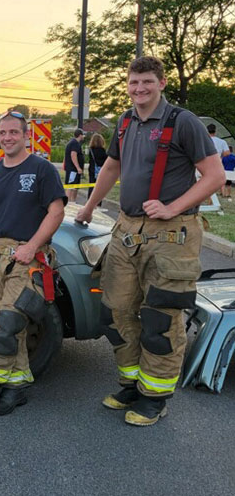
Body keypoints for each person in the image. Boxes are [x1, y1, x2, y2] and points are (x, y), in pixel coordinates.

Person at [76, 56, 224, 426]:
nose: (139, 89)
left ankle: (155, 397)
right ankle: (132, 384)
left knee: (161, 318)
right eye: (134, 82)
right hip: (127, 231)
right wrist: (90, 206)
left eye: (146, 82)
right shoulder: (125, 122)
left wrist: (172, 206)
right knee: (116, 311)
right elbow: (112, 167)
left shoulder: (183, 122)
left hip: (171, 235)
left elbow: (215, 176)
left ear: (161, 83)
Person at [0, 111, 66, 415]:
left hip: (28, 259)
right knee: (1, 322)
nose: (7, 138)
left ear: (26, 136)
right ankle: (17, 385)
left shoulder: (41, 169)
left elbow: (56, 212)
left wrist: (32, 246)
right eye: (3, 133)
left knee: (8, 322)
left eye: (14, 132)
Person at [64, 128, 85, 202]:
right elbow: (73, 155)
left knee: (75, 186)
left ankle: (73, 202)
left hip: (73, 169)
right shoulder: (74, 143)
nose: (83, 137)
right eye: (83, 135)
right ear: (80, 135)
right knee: (71, 186)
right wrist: (78, 167)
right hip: (73, 169)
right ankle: (68, 203)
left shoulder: (73, 143)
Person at [87, 133, 107, 204]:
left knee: (91, 186)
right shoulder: (102, 151)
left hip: (92, 170)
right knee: (99, 187)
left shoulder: (91, 150)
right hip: (100, 171)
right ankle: (98, 202)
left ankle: (89, 202)